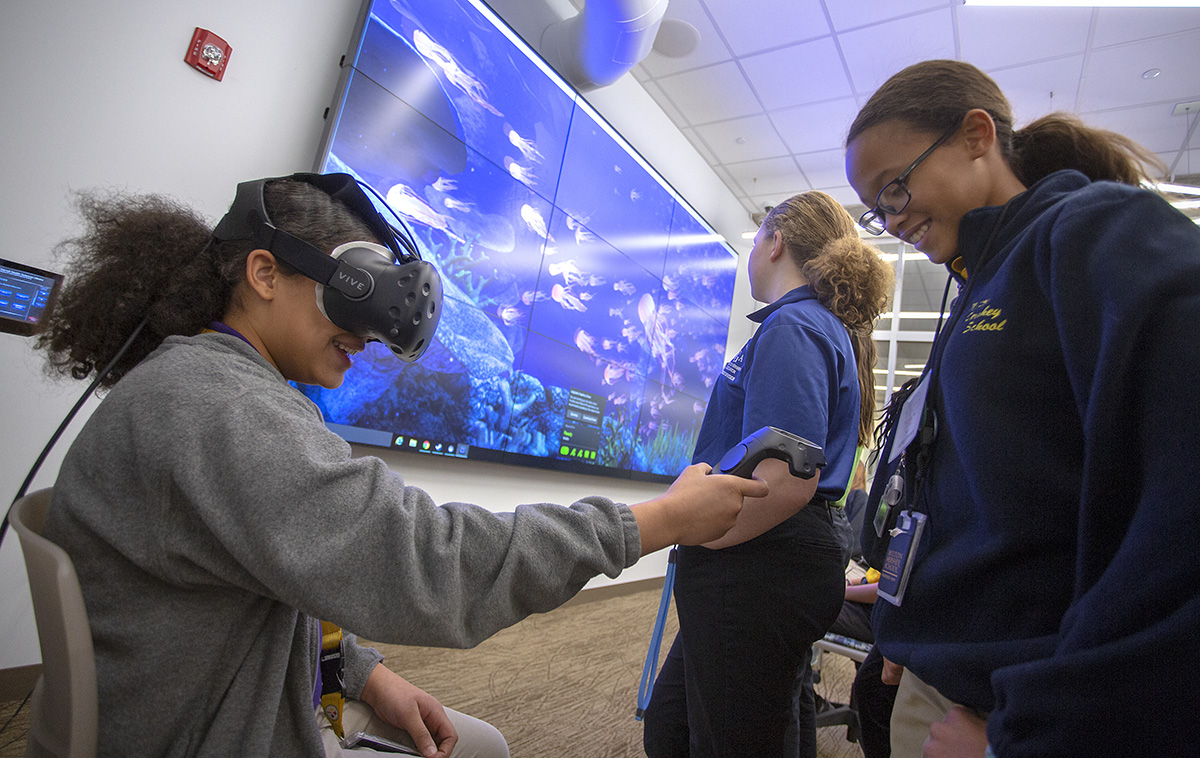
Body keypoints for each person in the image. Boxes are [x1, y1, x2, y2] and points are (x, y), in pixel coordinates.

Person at [33, 175, 768, 758]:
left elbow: (266, 582)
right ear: (264, 271)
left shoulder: (201, 388)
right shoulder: (217, 408)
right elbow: (428, 563)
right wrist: (658, 520)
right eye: (352, 291)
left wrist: (364, 673)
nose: (367, 332)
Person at [843, 59, 1200, 757]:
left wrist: (1041, 735)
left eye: (896, 186)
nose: (892, 219)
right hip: (945, 673)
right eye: (876, 208)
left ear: (977, 135)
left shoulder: (1088, 232)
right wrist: (910, 628)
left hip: (1021, 703)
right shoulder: (974, 292)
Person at [641, 191, 894, 758]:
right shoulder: (816, 326)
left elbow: (786, 477)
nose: (753, 251)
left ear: (775, 241)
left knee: (727, 740)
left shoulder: (795, 326)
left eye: (755, 240)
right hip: (777, 556)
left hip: (762, 558)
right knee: (679, 726)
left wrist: (692, 528)